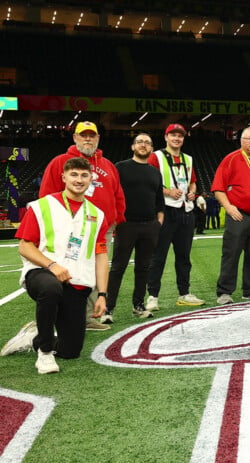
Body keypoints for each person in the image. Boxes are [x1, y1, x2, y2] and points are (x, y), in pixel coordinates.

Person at [12, 158, 109, 374]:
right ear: (63, 177)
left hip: (75, 283)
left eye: (84, 175)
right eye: (73, 174)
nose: (79, 179)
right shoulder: (42, 206)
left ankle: (35, 337)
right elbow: (25, 247)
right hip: (41, 273)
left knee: (71, 350)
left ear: (91, 179)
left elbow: (101, 255)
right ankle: (45, 353)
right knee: (50, 287)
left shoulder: (97, 214)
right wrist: (52, 265)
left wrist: (102, 294)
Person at [39, 120, 125, 332]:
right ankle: (62, 316)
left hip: (100, 231)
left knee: (96, 272)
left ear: (98, 138)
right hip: (70, 230)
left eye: (92, 135)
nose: (88, 139)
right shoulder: (60, 162)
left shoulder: (108, 165)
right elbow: (47, 196)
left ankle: (88, 317)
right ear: (75, 138)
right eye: (83, 135)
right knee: (67, 270)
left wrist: (115, 219)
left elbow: (118, 195)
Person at [101, 133, 165, 324]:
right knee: (118, 267)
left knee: (143, 267)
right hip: (126, 224)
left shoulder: (155, 172)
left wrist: (159, 219)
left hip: (149, 226)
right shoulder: (120, 167)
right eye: (140, 142)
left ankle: (138, 305)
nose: (143, 145)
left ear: (152, 148)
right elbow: (112, 193)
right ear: (132, 146)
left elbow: (159, 198)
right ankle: (108, 308)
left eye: (147, 142)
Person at [212, 127, 250, 304]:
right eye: (248, 138)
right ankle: (224, 292)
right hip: (239, 215)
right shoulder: (231, 159)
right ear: (241, 141)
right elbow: (218, 188)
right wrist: (229, 207)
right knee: (231, 254)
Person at [146, 123, 204, 310]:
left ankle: (184, 293)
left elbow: (193, 182)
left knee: (184, 256)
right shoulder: (156, 157)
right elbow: (150, 182)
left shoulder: (188, 158)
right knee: (158, 256)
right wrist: (168, 191)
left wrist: (192, 193)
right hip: (165, 210)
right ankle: (152, 296)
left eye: (180, 136)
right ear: (166, 137)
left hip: (185, 211)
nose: (177, 138)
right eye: (173, 135)